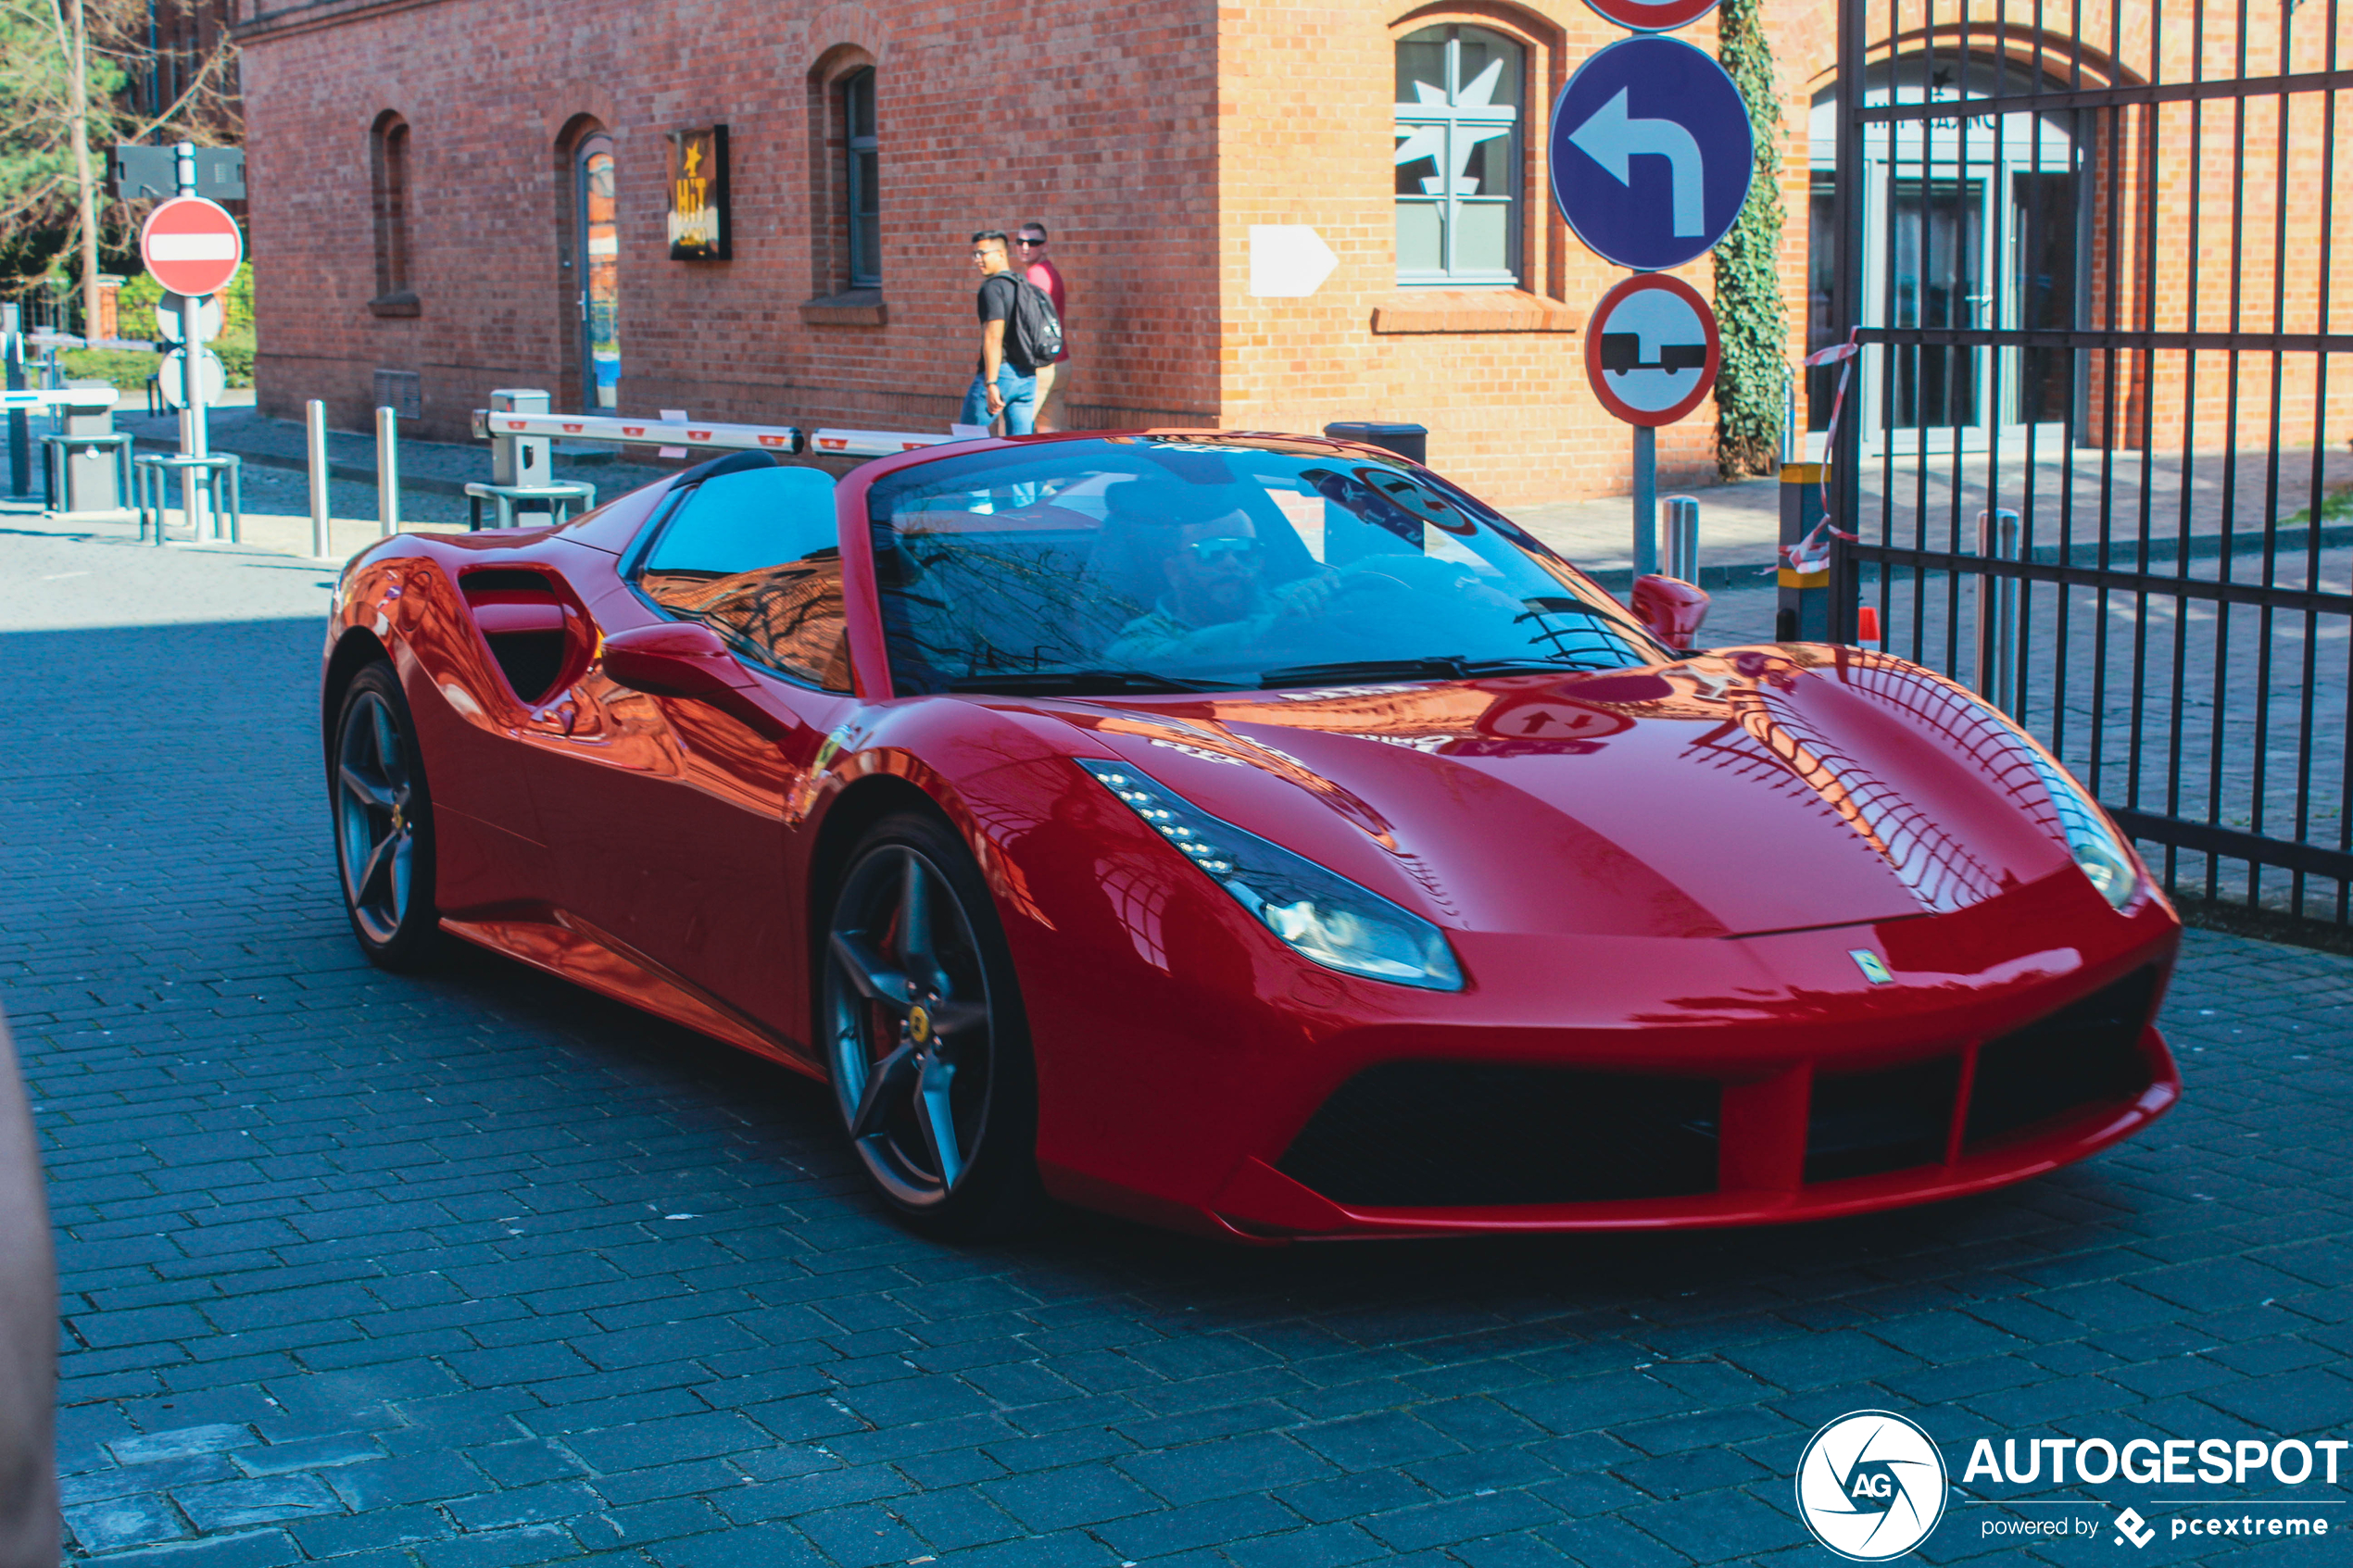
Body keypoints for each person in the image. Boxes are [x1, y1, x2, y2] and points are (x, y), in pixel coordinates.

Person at [1104, 512, 1339, 664]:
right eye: (1211, 551)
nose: (1231, 562)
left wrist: (1329, 591)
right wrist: (1276, 625)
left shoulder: (1282, 603)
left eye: (1245, 550)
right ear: (1174, 571)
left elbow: (1364, 569)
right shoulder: (1138, 639)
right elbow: (1178, 656)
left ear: (1260, 562)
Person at [958, 232, 1038, 436]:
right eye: (975, 254)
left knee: (966, 441)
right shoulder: (1022, 284)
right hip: (1027, 377)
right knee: (1020, 449)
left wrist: (991, 383)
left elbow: (993, 336)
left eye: (982, 253)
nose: (978, 260)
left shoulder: (992, 288)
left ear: (1001, 254)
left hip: (1001, 374)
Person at [1013, 222, 1070, 432]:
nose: (1025, 247)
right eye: (1020, 241)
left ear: (1045, 246)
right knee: (1053, 434)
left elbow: (1027, 323)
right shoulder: (1050, 272)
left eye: (1033, 243)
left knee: (1013, 435)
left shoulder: (1035, 276)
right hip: (1060, 362)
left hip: (1041, 366)